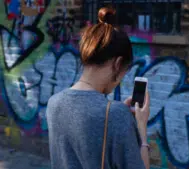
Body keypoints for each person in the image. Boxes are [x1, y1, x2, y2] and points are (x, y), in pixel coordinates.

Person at [46, 7, 150, 169]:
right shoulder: (117, 116)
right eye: (124, 72)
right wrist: (141, 129)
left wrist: (114, 114)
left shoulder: (53, 104)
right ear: (117, 64)